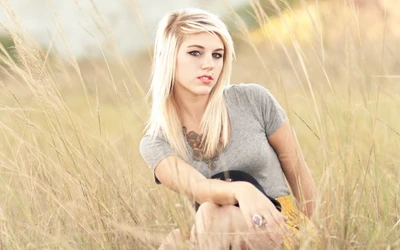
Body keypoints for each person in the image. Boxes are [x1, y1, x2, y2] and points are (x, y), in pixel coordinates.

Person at [139, 8, 317, 250]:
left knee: (202, 223)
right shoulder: (156, 142)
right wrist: (241, 190)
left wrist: (317, 235)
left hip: (281, 224)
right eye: (195, 53)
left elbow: (298, 172)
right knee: (187, 232)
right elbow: (199, 189)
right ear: (168, 56)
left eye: (217, 55)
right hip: (215, 230)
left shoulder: (253, 100)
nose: (209, 65)